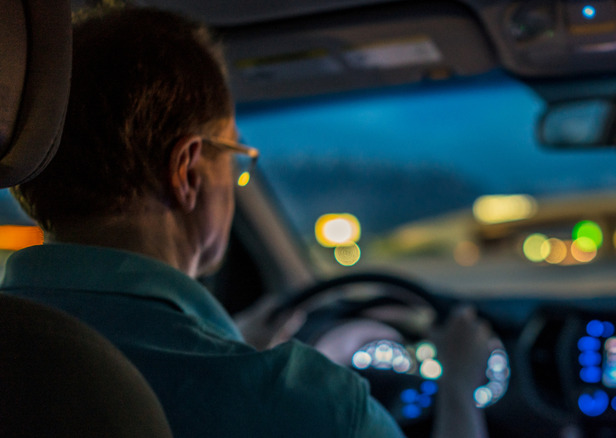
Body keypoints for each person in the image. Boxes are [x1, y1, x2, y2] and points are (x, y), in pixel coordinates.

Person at [0, 4, 492, 438]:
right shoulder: (307, 404)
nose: (235, 178)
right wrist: (459, 389)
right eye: (234, 156)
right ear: (186, 171)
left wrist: (232, 339)